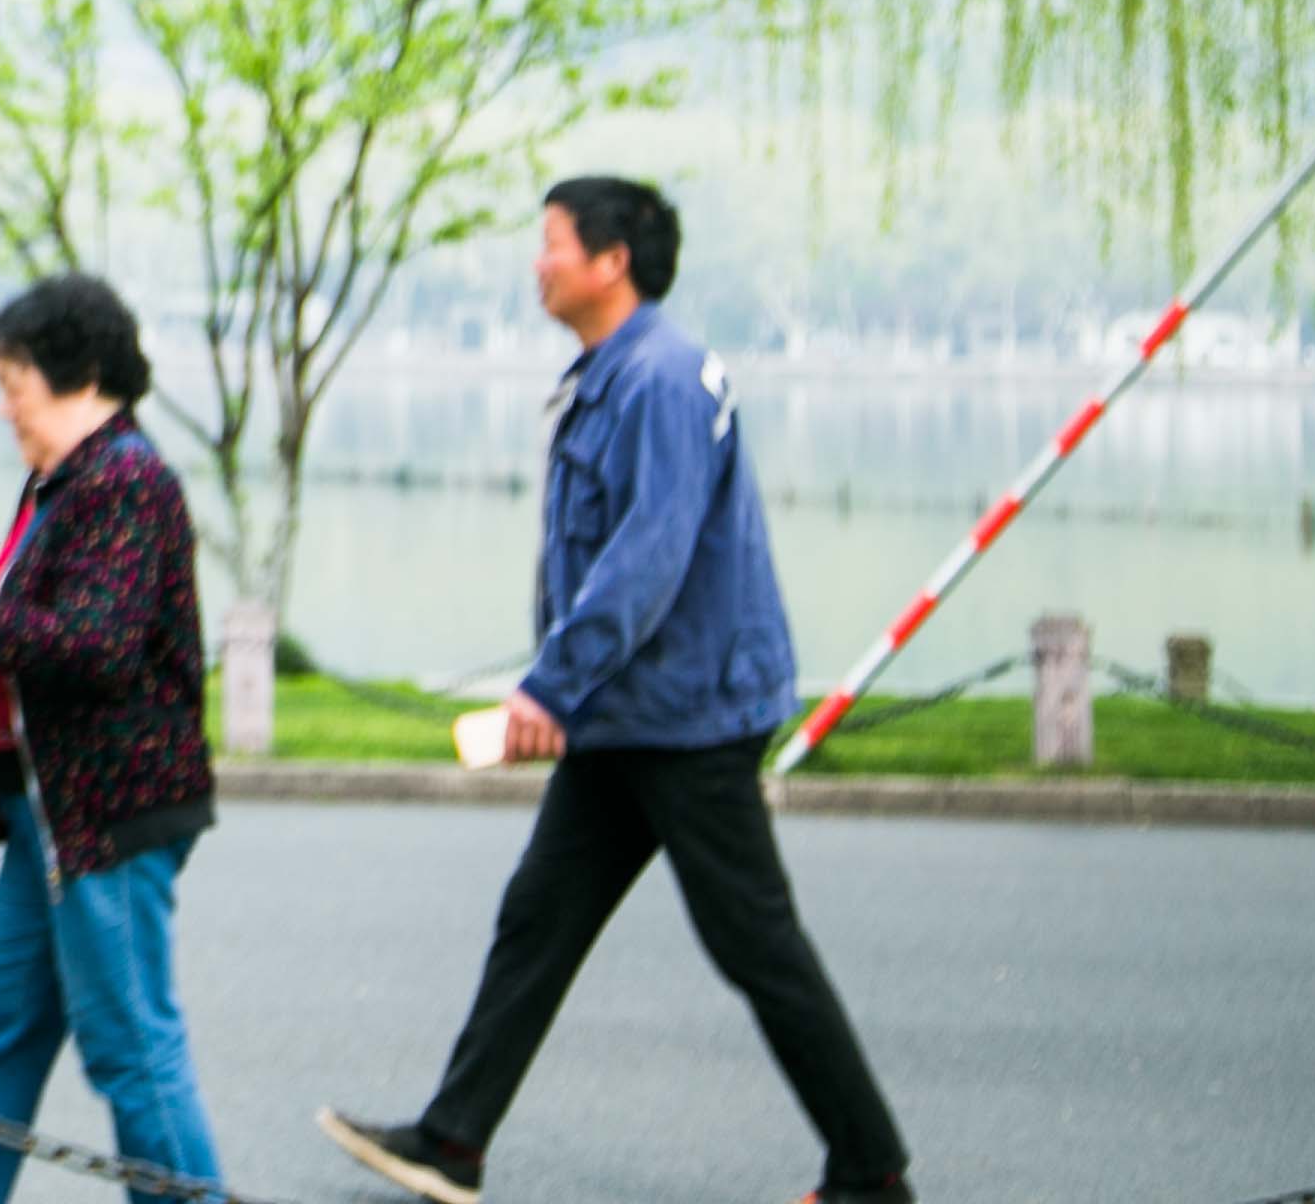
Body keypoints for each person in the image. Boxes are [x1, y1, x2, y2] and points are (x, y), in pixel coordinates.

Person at [318, 177, 913, 1204]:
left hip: (688, 719)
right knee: (538, 917)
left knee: (754, 945)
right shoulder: (612, 374)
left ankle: (872, 1173)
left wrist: (549, 688)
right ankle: (452, 1142)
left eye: (550, 243)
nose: (537, 262)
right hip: (628, 716)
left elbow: (647, 555)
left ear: (611, 261)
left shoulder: (663, 381)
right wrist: (573, 691)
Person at [0, 273, 222, 1204]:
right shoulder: (69, 483)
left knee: (131, 1049)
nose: (3, 405)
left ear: (78, 375)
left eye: (13, 383)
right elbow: (39, 613)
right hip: (47, 809)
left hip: (108, 814)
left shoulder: (127, 482)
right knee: (4, 1027)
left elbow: (96, 647)